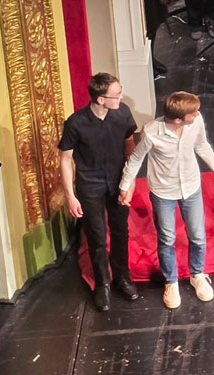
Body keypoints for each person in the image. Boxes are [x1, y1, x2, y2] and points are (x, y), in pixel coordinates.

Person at [119, 91, 214, 310]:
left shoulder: (196, 123)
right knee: (166, 238)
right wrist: (124, 186)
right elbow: (136, 158)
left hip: (191, 186)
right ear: (178, 118)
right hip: (163, 191)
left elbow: (202, 145)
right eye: (193, 112)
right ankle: (172, 282)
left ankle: (198, 274)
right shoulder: (151, 133)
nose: (198, 114)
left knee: (197, 234)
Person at [58, 73, 139, 312]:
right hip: (90, 184)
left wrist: (130, 182)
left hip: (117, 181)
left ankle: (122, 278)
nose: (121, 98)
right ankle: (102, 283)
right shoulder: (76, 123)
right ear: (100, 99)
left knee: (120, 232)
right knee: (96, 236)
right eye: (116, 95)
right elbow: (65, 159)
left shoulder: (122, 113)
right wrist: (70, 195)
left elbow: (129, 145)